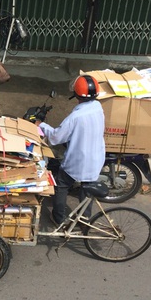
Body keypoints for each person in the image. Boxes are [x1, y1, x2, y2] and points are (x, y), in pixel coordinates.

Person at [36, 74, 105, 225]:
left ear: (77, 94)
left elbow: (55, 138)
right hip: (96, 158)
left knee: (61, 184)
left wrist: (41, 125)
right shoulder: (98, 107)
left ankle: (59, 218)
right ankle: (85, 221)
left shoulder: (75, 117)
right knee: (86, 190)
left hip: (78, 161)